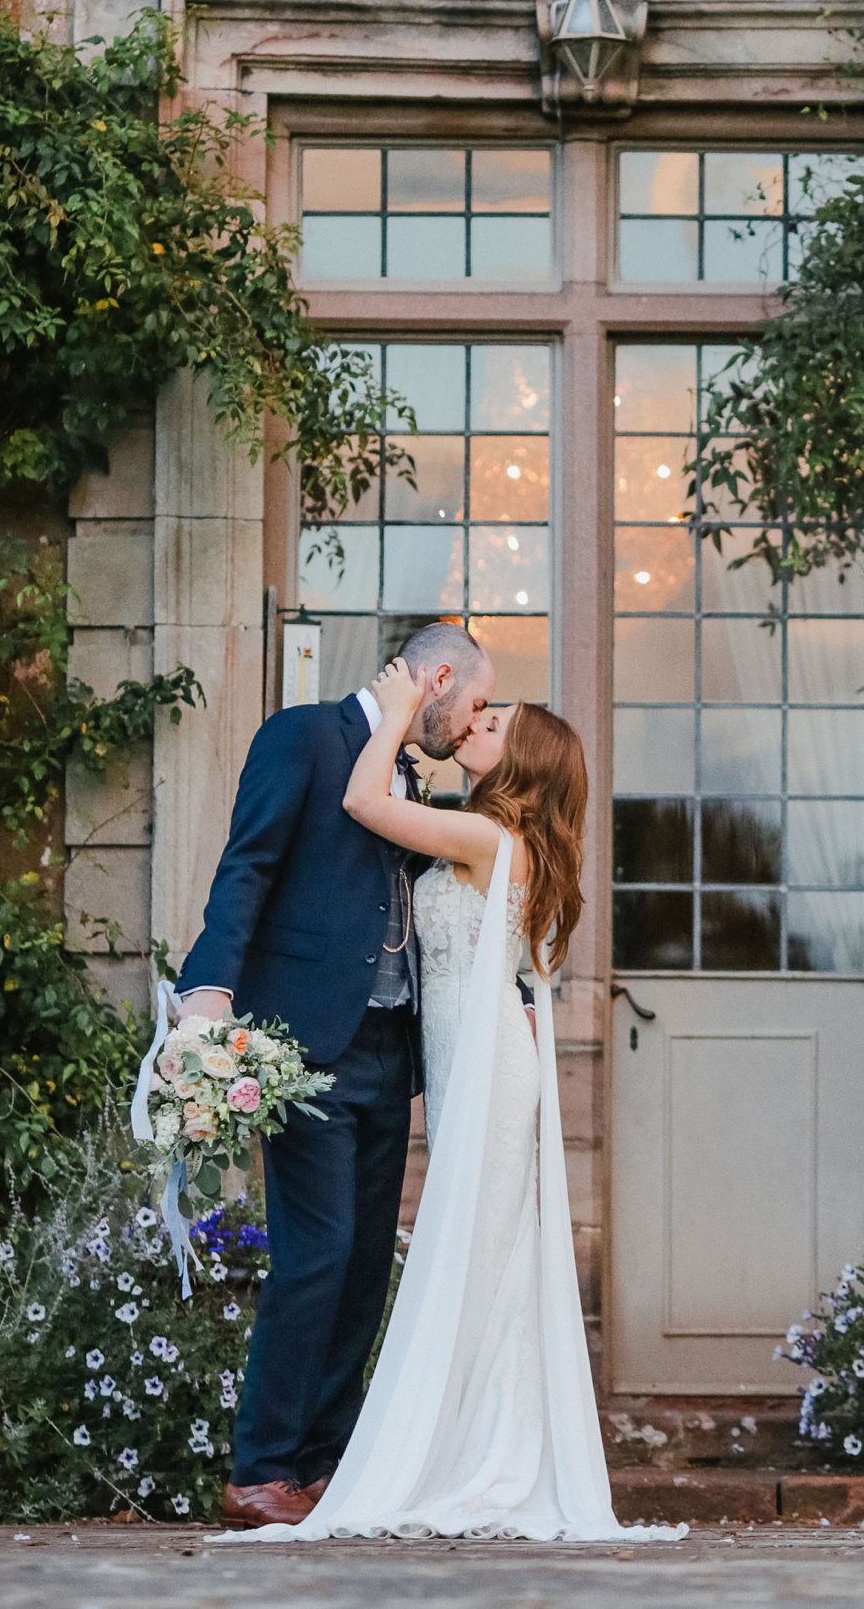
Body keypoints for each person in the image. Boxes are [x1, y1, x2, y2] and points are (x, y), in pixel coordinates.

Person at [233, 658, 679, 1544]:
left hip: (486, 1073)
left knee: (472, 1265)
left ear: (521, 766)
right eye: (482, 710)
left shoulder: (484, 842)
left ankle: (466, 1456)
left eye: (494, 724)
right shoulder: (483, 832)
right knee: (476, 1263)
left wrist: (397, 712)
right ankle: (453, 1448)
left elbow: (363, 806)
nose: (476, 723)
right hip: (469, 1064)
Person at [174, 618, 491, 1530]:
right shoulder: (304, 736)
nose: (471, 726)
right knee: (315, 1255)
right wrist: (209, 989)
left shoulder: (407, 771)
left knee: (361, 1266)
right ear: (433, 680)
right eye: (471, 705)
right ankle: (261, 1468)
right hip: (308, 1045)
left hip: (393, 1053)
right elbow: (248, 868)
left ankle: (325, 1464)